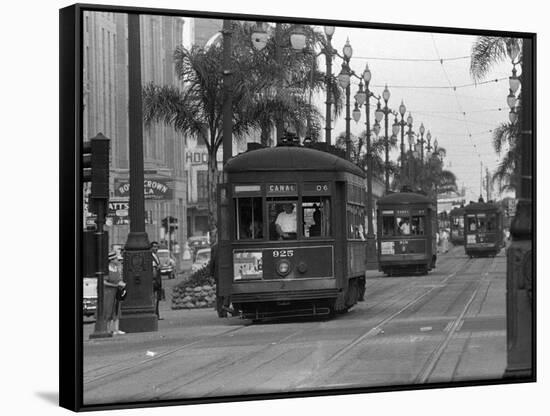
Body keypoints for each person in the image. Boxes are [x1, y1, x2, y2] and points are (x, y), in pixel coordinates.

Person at [104, 251, 126, 335]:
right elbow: (104, 282)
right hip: (109, 292)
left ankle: (116, 329)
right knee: (109, 309)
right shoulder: (107, 269)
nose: (118, 260)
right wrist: (114, 285)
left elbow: (119, 279)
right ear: (112, 260)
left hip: (117, 291)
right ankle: (108, 329)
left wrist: (121, 284)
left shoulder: (116, 268)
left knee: (117, 309)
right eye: (116, 258)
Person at [151, 241, 163, 320]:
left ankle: (157, 314)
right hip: (154, 281)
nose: (156, 248)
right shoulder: (150, 256)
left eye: (157, 247)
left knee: (157, 298)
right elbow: (153, 269)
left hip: (158, 280)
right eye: (154, 247)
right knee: (154, 298)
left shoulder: (156, 256)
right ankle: (154, 314)